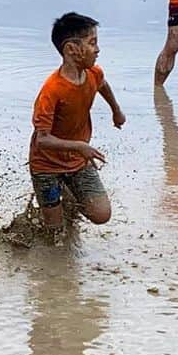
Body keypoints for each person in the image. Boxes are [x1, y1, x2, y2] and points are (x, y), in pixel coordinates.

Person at [29, 12, 126, 236]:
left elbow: (102, 84)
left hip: (77, 161)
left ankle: (70, 196)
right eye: (92, 43)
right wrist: (79, 147)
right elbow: (42, 140)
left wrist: (116, 110)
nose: (98, 49)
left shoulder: (93, 72)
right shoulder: (52, 90)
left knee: (102, 215)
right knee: (54, 231)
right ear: (72, 49)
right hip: (46, 165)